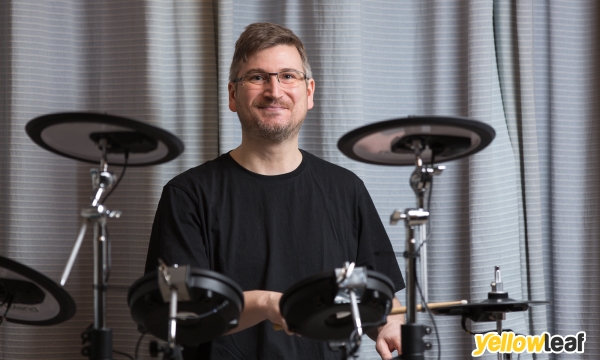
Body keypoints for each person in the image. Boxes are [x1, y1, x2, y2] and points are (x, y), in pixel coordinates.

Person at [145, 22, 405, 360]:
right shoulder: (187, 194)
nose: (274, 90)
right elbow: (182, 310)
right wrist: (268, 303)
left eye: (288, 76)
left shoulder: (345, 189)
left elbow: (376, 291)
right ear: (233, 95)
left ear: (309, 92)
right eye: (257, 77)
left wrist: (388, 324)